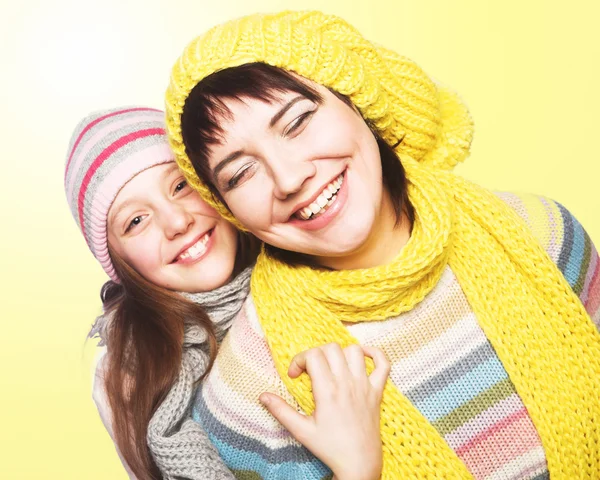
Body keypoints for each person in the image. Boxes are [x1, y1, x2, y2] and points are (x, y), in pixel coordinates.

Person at [165, 10, 600, 480]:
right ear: (229, 209)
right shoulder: (248, 392)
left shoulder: (540, 235)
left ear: (358, 104)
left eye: (297, 122)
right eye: (240, 173)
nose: (289, 178)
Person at [64, 106, 390, 480]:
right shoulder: (127, 373)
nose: (177, 222)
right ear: (119, 264)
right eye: (136, 221)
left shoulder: (313, 252)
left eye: (180, 186)